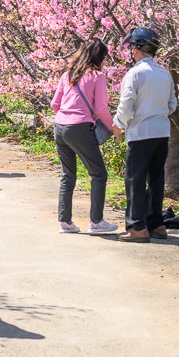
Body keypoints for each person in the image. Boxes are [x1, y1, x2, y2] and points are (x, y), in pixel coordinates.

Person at [112, 27, 178, 243]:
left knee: (135, 180)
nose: (131, 51)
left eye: (132, 47)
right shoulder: (164, 73)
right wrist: (156, 113)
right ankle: (156, 224)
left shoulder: (135, 73)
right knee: (156, 179)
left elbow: (127, 104)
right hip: (161, 133)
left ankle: (137, 227)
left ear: (138, 48)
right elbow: (172, 105)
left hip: (141, 133)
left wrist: (118, 124)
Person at [50, 39, 120, 235]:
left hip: (60, 126)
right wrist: (114, 128)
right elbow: (100, 108)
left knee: (67, 174)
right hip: (79, 127)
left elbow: (54, 105)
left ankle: (65, 222)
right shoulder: (97, 76)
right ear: (98, 58)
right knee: (98, 174)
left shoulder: (68, 74)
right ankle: (96, 221)